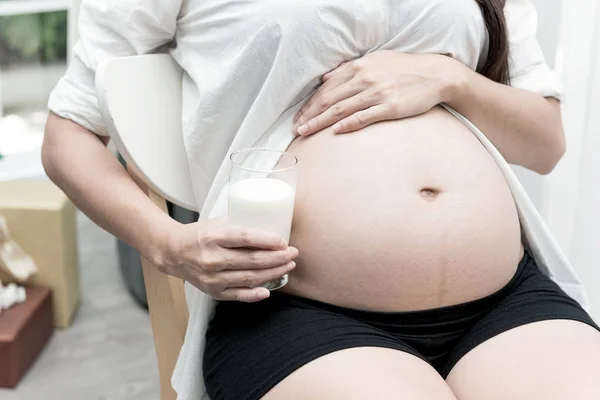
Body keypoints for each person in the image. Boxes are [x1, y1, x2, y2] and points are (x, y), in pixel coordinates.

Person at [43, 0, 600, 399]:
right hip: (296, 307)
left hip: (504, 299)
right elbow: (67, 137)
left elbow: (545, 143)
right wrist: (168, 244)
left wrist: (451, 79)